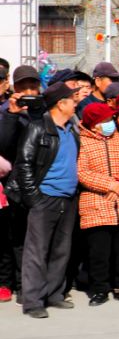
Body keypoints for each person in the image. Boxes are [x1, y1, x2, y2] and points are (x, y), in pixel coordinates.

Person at [13, 82, 79, 318]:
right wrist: (34, 198)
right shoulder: (38, 128)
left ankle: (54, 294)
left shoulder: (72, 129)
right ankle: (33, 301)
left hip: (68, 198)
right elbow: (24, 164)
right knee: (37, 251)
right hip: (45, 198)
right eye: (72, 100)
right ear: (61, 104)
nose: (75, 104)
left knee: (61, 249)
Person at [77, 102, 119, 306]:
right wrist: (109, 185)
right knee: (99, 252)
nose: (110, 123)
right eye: (105, 120)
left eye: (110, 119)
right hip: (97, 202)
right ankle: (100, 289)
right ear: (94, 124)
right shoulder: (83, 143)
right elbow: (82, 172)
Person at [0, 64, 42, 302]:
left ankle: (34, 284)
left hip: (42, 183)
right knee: (16, 238)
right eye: (23, 87)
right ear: (15, 88)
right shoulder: (7, 110)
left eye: (32, 86)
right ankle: (18, 285)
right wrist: (12, 114)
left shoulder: (46, 110)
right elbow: (4, 145)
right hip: (15, 185)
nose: (28, 91)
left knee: (38, 238)